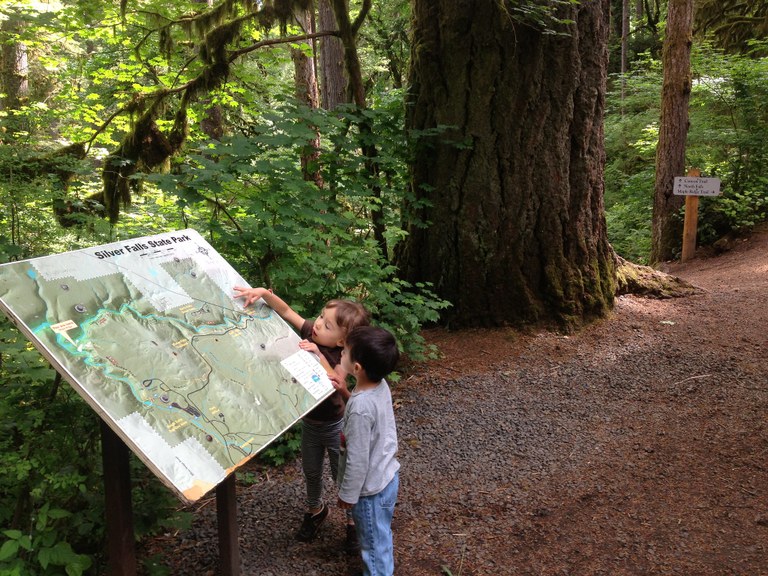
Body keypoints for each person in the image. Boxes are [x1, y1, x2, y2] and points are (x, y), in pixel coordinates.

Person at [233, 285, 370, 549]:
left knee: (341, 474)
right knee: (311, 471)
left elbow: (335, 382)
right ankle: (315, 510)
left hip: (334, 425)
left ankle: (353, 522)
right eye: (320, 317)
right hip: (311, 423)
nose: (317, 325)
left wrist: (317, 354)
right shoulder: (311, 332)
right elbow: (285, 311)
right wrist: (264, 293)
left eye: (327, 326)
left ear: (342, 341)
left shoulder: (342, 356)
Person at [334, 326, 401, 576]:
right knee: (381, 536)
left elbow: (357, 458)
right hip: (387, 476)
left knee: (373, 548)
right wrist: (344, 392)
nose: (341, 352)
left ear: (358, 368)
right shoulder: (379, 385)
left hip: (370, 492)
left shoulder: (361, 407)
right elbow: (368, 415)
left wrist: (348, 495)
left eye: (345, 351)